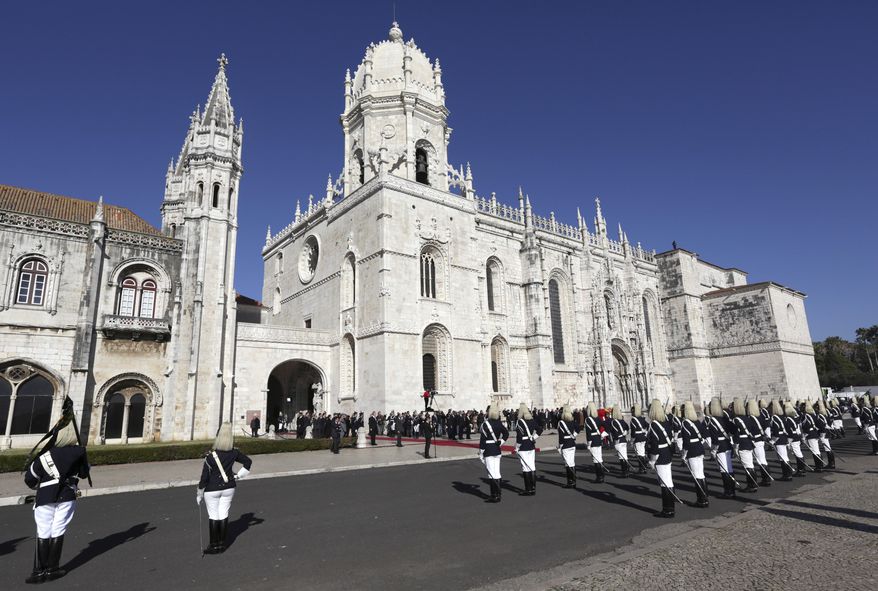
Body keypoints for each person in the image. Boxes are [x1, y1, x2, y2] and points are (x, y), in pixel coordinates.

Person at [23, 410, 90, 583]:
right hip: (67, 495)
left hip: (45, 496)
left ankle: (39, 571)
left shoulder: (45, 455)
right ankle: (53, 568)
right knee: (59, 529)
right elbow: (83, 474)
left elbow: (30, 479)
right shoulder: (79, 452)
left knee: (43, 530)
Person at [197, 423, 252, 555]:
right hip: (229, 487)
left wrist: (199, 493)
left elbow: (204, 478)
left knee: (213, 516)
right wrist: (239, 476)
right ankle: (222, 544)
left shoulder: (211, 456)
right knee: (223, 514)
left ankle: (213, 545)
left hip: (212, 489)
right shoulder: (234, 453)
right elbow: (248, 462)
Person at [646, 399, 676, 518]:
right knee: (668, 481)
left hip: (660, 455)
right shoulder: (666, 422)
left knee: (664, 483)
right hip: (667, 453)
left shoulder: (654, 424)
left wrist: (652, 460)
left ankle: (668, 510)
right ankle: (670, 508)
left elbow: (654, 445)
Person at [705, 397, 736, 499]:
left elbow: (715, 439)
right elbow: (733, 430)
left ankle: (728, 491)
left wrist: (713, 451)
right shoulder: (724, 418)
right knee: (729, 468)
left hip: (721, 447)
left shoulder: (713, 420)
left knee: (724, 470)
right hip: (727, 444)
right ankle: (732, 490)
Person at [680, 401, 709, 507]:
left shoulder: (685, 423)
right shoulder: (696, 421)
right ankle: (705, 496)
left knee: (696, 475)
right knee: (701, 474)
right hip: (699, 449)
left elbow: (686, 441)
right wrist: (699, 443)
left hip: (692, 450)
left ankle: (701, 499)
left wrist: (683, 455)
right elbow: (705, 434)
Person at [479, 406, 509, 503]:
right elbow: (506, 433)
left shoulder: (485, 424)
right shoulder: (499, 423)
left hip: (488, 450)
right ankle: (498, 494)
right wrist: (501, 442)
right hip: (497, 449)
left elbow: (482, 440)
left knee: (491, 474)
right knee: (497, 472)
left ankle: (495, 495)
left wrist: (481, 452)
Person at [514, 403, 541, 496]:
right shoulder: (531, 420)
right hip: (531, 445)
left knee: (525, 468)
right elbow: (540, 430)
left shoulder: (520, 422)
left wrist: (516, 447)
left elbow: (519, 437)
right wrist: (534, 437)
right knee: (532, 466)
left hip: (523, 447)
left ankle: (528, 489)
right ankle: (533, 489)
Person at [745, 400, 772, 487]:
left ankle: (766, 479)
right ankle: (766, 478)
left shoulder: (750, 418)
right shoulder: (760, 416)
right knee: (762, 459)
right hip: (760, 439)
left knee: (760, 460)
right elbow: (765, 426)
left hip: (755, 440)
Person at [768, 400, 794, 481]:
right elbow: (789, 429)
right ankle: (788, 473)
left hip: (779, 439)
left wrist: (772, 441)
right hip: (784, 438)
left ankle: (786, 475)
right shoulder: (782, 417)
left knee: (782, 457)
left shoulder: (774, 418)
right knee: (784, 456)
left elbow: (776, 432)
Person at [583, 402, 607, 483]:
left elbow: (588, 433)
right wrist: (603, 434)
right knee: (599, 458)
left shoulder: (588, 420)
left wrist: (588, 444)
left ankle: (599, 477)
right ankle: (602, 475)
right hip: (598, 439)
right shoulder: (598, 418)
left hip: (593, 440)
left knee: (595, 459)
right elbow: (606, 425)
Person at [782, 401, 807, 475]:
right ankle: (802, 468)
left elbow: (791, 431)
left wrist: (789, 441)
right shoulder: (793, 417)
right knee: (798, 452)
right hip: (796, 436)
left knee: (797, 453)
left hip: (794, 437)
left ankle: (801, 469)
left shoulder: (789, 419)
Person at [557, 405, 579, 489]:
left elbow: (561, 437)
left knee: (567, 464)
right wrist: (573, 435)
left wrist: (560, 447)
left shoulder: (561, 423)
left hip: (565, 444)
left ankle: (570, 482)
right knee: (572, 463)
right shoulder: (573, 421)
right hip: (572, 443)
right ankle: (574, 482)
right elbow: (578, 428)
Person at [607, 406, 630, 478]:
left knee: (621, 457)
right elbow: (627, 428)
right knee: (625, 456)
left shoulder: (613, 422)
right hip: (624, 440)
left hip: (619, 440)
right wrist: (625, 432)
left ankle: (624, 472)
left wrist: (615, 443)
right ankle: (627, 471)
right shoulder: (622, 421)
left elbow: (615, 433)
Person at [801, 400, 824, 472]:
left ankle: (819, 466)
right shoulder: (813, 415)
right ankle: (820, 465)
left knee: (814, 451)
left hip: (810, 435)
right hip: (815, 433)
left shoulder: (806, 416)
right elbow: (820, 424)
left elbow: (806, 427)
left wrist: (804, 436)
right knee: (816, 450)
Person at [814, 400, 836, 469]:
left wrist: (821, 434)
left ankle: (831, 463)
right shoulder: (825, 415)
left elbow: (822, 426)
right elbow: (830, 422)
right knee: (828, 448)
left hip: (823, 433)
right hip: (827, 432)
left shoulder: (819, 416)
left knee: (827, 448)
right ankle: (831, 463)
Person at [629, 404, 649, 473]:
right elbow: (648, 426)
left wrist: (632, 441)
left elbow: (633, 432)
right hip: (643, 437)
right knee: (642, 453)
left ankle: (642, 468)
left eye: (632, 411)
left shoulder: (633, 420)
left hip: (637, 438)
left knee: (639, 454)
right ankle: (644, 467)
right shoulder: (642, 418)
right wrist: (645, 432)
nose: (631, 412)